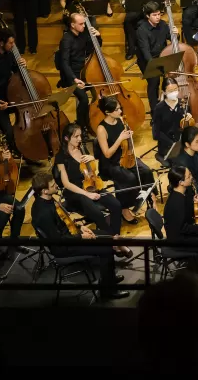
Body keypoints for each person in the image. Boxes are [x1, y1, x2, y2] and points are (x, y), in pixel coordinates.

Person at [30, 170, 126, 300]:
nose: (56, 186)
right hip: (63, 247)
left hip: (70, 235)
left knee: (106, 235)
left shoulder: (48, 199)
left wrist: (81, 227)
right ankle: (108, 291)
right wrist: (81, 236)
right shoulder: (43, 213)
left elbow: (64, 222)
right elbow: (58, 239)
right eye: (52, 186)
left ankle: (109, 278)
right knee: (106, 249)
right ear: (44, 191)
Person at [54, 123, 131, 257]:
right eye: (76, 136)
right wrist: (87, 194)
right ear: (67, 138)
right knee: (98, 214)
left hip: (92, 185)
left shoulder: (83, 148)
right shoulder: (61, 157)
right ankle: (115, 242)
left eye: (80, 136)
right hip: (76, 192)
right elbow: (66, 183)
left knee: (116, 205)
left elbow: (91, 170)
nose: (80, 139)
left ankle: (113, 239)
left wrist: (93, 158)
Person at [94, 96, 153, 222]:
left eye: (120, 108)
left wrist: (128, 137)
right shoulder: (101, 129)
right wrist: (120, 139)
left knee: (146, 171)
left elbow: (126, 142)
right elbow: (107, 154)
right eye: (116, 110)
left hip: (126, 156)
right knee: (128, 178)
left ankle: (144, 198)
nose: (120, 111)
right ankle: (124, 209)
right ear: (107, 112)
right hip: (110, 163)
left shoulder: (121, 120)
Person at [54, 12, 99, 129]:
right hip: (71, 76)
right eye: (81, 24)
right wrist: (74, 79)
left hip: (84, 71)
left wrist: (98, 37)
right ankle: (80, 125)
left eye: (84, 23)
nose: (84, 26)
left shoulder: (83, 34)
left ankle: (91, 120)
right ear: (72, 25)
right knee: (83, 99)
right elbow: (64, 63)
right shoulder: (66, 40)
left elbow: (94, 48)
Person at [133, 0, 169, 108]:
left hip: (161, 56)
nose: (158, 17)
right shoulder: (141, 30)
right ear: (148, 16)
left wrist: (175, 34)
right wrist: (155, 66)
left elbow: (171, 38)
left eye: (159, 14)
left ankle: (165, 104)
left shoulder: (163, 24)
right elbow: (146, 52)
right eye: (154, 15)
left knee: (169, 78)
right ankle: (155, 112)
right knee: (154, 81)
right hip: (147, 60)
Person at [151, 78, 187, 161]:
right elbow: (156, 134)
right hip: (167, 145)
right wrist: (173, 144)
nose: (174, 92)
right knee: (182, 161)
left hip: (182, 142)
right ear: (164, 92)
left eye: (176, 89)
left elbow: (186, 128)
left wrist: (188, 120)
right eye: (170, 91)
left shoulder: (183, 103)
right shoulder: (159, 108)